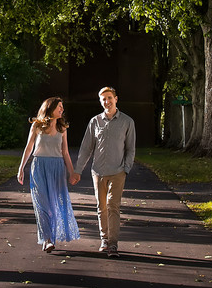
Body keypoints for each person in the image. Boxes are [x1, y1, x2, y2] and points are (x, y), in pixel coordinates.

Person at [70, 87, 136, 257]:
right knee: (102, 207)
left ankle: (113, 244)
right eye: (103, 99)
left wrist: (126, 168)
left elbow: (130, 149)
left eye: (109, 98)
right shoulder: (95, 122)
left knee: (113, 206)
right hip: (98, 172)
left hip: (118, 172)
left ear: (116, 99)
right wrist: (78, 170)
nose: (107, 102)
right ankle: (104, 239)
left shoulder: (127, 122)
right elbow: (86, 148)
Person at [17, 97, 80, 252]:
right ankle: (47, 239)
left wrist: (72, 172)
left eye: (62, 107)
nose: (62, 109)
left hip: (57, 168)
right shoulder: (37, 126)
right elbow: (28, 148)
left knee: (54, 205)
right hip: (39, 166)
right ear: (50, 107)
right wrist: (21, 168)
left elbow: (65, 152)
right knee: (42, 204)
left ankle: (50, 237)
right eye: (59, 106)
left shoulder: (62, 128)